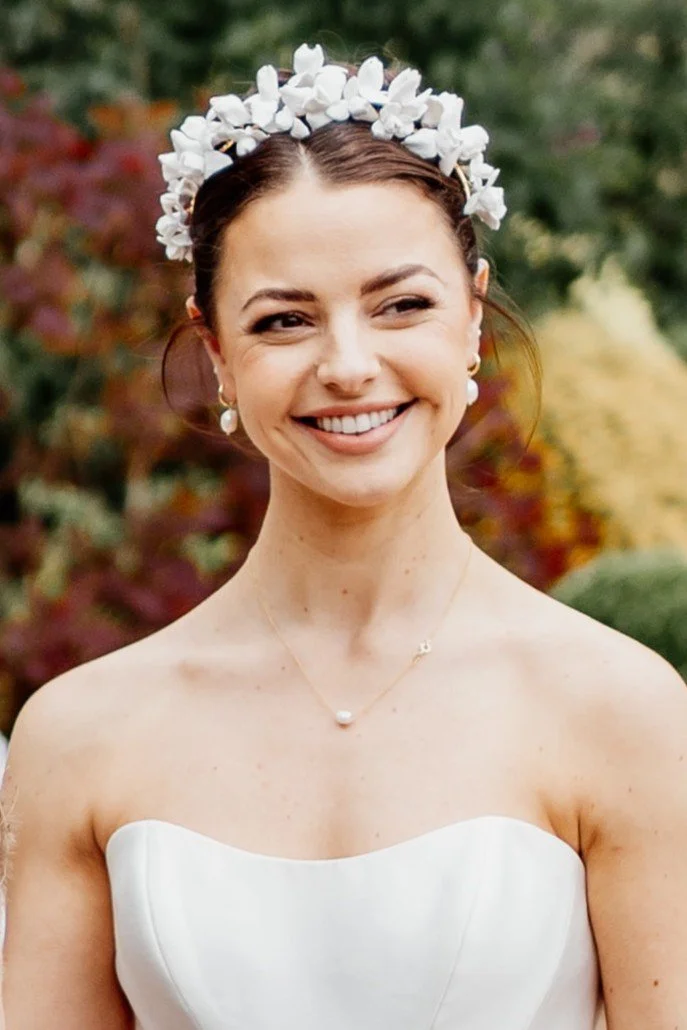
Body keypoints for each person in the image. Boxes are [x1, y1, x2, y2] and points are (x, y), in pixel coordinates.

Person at [2, 43, 687, 1030]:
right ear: (216, 354)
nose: (350, 365)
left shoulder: (622, 712)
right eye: (285, 321)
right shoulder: (82, 737)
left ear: (473, 320)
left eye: (401, 304)